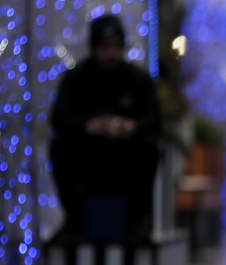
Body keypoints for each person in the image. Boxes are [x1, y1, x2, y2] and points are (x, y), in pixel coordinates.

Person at [51, 15, 160, 239]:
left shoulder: (137, 78)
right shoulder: (77, 77)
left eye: (116, 47)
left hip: (125, 153)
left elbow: (155, 117)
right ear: (94, 47)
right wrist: (87, 126)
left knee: (150, 149)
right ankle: (74, 218)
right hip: (89, 153)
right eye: (105, 46)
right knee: (59, 147)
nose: (111, 53)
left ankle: (138, 220)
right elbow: (58, 118)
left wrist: (133, 126)